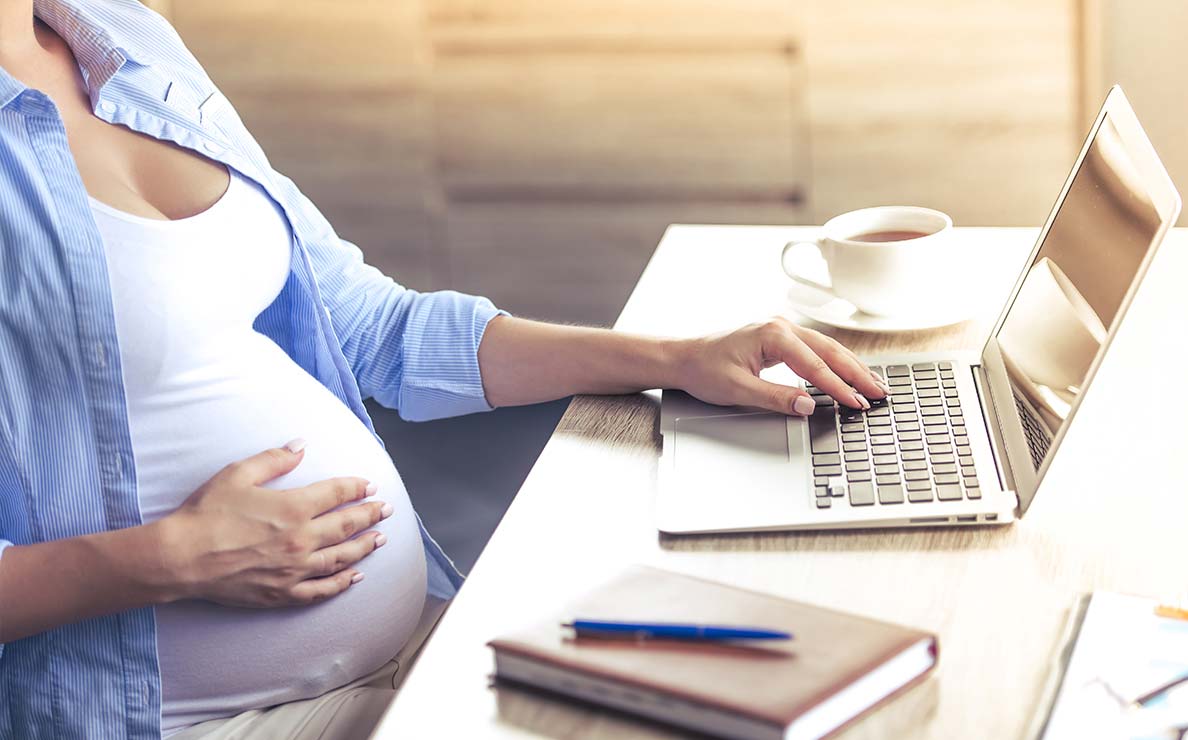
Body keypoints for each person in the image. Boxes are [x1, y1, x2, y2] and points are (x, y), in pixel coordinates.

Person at [0, 1, 890, 738]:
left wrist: (673, 359)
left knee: (776, 668)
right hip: (193, 717)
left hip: (413, 630)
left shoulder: (120, 36)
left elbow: (374, 326)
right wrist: (170, 560)